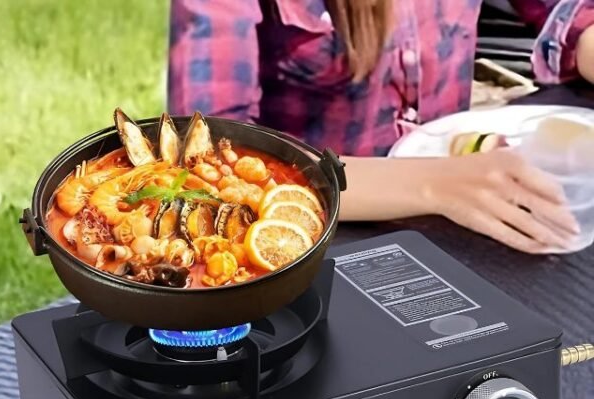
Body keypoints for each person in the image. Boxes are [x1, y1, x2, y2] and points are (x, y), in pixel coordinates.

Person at [167, 0, 594, 253]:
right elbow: (211, 156)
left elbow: (570, 16)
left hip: (464, 213)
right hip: (314, 241)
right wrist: (436, 185)